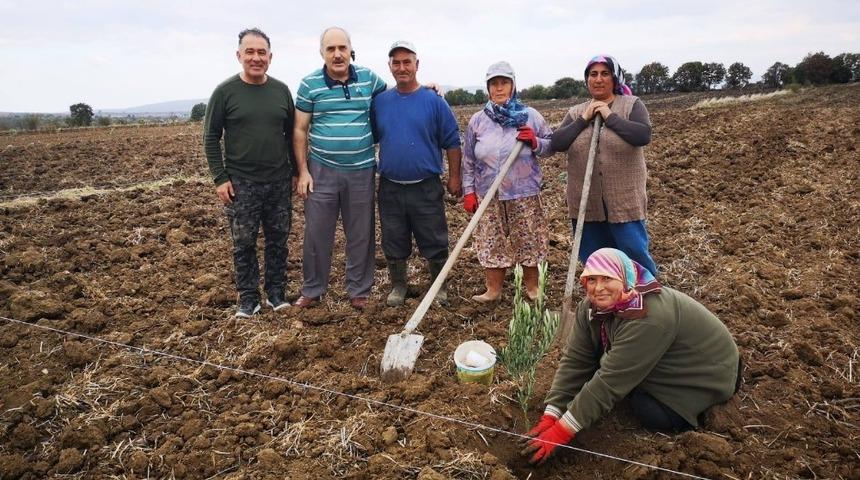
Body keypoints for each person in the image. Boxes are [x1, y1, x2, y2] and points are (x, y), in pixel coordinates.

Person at [521, 248, 741, 465]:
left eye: (607, 278)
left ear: (626, 278)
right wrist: (551, 413)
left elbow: (609, 382)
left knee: (647, 410)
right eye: (591, 280)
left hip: (706, 375)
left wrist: (561, 432)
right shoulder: (590, 309)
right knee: (599, 368)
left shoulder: (648, 316)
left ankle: (691, 409)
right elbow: (576, 360)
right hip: (659, 357)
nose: (598, 288)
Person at [292, 27, 387, 311]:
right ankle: (312, 289)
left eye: (342, 48)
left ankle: (359, 291)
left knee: (361, 232)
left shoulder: (370, 79)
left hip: (361, 170)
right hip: (321, 169)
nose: (337, 54)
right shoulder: (310, 84)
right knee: (316, 233)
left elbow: (396, 99)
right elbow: (299, 130)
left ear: (350, 50)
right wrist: (303, 171)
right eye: (330, 49)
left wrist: (427, 88)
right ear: (322, 53)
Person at [203, 28, 295, 318]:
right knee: (243, 243)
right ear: (239, 55)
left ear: (270, 56)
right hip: (242, 182)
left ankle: (276, 293)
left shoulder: (281, 91)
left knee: (278, 240)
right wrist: (220, 178)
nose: (256, 58)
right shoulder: (224, 92)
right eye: (250, 52)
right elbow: (210, 137)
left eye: (261, 52)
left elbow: (291, 133)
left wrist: (294, 171)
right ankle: (248, 298)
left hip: (279, 180)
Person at [371, 41, 462, 307]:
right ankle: (399, 285)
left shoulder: (434, 101)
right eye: (396, 63)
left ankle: (439, 286)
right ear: (389, 67)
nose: (402, 67)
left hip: (425, 185)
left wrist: (454, 177)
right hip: (390, 185)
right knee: (393, 237)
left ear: (417, 65)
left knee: (434, 237)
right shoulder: (380, 102)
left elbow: (452, 141)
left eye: (406, 62)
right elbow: (373, 136)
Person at [551, 55, 659, 277]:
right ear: (587, 80)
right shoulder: (575, 112)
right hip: (586, 201)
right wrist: (583, 119)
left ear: (615, 78)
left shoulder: (631, 105)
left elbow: (642, 135)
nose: (598, 79)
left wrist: (610, 117)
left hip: (624, 199)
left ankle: (646, 299)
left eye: (605, 73)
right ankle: (605, 304)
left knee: (633, 253)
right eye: (593, 74)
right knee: (596, 259)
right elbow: (558, 142)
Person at [461, 61, 553, 302]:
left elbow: (551, 145)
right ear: (488, 88)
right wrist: (469, 191)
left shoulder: (529, 116)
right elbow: (468, 160)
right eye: (494, 84)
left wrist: (535, 142)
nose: (499, 88)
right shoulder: (478, 121)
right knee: (491, 240)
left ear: (513, 85)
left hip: (524, 192)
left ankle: (533, 288)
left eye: (504, 83)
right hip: (488, 193)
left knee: (529, 238)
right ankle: (493, 291)